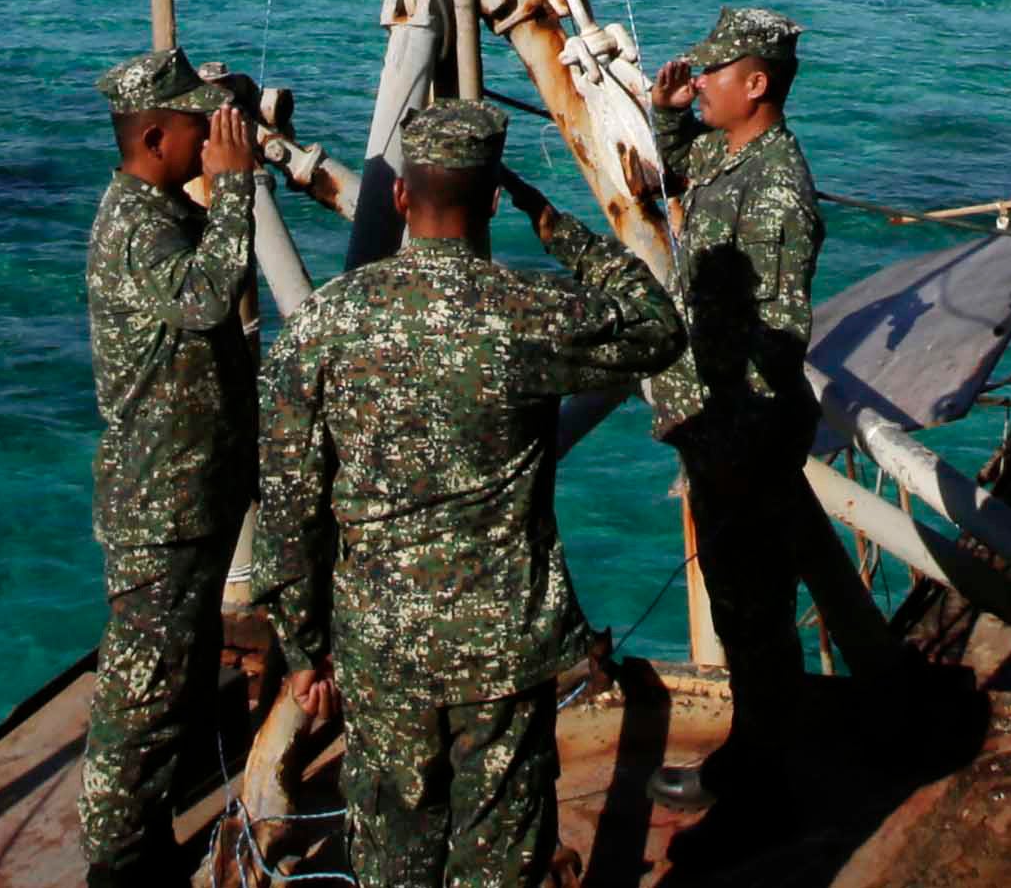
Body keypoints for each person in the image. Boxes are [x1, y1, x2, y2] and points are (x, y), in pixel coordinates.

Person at [251, 98, 683, 888]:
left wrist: (304, 648)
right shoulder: (526, 314)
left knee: (390, 856)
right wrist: (559, 230)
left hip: (380, 645)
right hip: (503, 644)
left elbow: (288, 504)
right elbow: (658, 325)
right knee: (501, 855)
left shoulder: (322, 324)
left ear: (398, 197)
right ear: (491, 200)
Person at [79, 45, 267, 888]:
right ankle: (119, 863)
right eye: (200, 128)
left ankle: (148, 828)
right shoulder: (135, 225)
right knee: (141, 692)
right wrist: (233, 189)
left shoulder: (161, 212)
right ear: (155, 136)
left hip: (190, 483)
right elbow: (200, 300)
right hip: (160, 499)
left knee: (174, 675)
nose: (211, 141)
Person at [642, 5, 824, 816]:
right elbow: (680, 169)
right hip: (715, 423)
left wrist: (732, 442)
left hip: (741, 430)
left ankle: (761, 784)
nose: (699, 80)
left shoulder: (777, 188)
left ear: (757, 84)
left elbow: (779, 336)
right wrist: (665, 114)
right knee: (736, 602)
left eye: (712, 73)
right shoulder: (728, 151)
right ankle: (759, 760)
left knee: (753, 616)